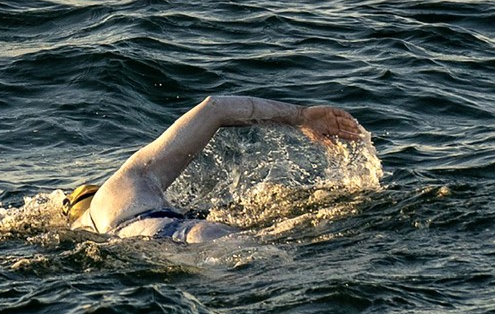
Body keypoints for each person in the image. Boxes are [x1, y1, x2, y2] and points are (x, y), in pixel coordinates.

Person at [61, 95, 365, 242]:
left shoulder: (93, 231)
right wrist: (302, 116)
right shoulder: (127, 182)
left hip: (171, 251)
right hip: (203, 234)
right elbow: (215, 108)